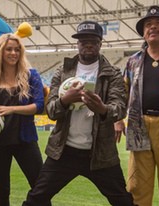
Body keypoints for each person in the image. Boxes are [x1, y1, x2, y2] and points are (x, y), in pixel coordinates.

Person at [23, 20, 133, 206]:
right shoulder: (62, 72)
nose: (88, 44)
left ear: (100, 43)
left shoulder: (113, 73)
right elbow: (50, 110)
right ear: (77, 44)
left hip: (100, 153)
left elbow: (120, 108)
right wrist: (65, 101)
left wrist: (102, 109)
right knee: (36, 199)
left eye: (92, 40)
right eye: (83, 41)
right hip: (64, 151)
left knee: (123, 201)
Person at [114, 6, 159, 206]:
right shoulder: (134, 61)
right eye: (148, 25)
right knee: (137, 185)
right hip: (139, 128)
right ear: (143, 32)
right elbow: (122, 93)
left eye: (158, 24)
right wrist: (119, 120)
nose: (152, 27)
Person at [0, 33, 45, 206]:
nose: (13, 53)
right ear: (0, 52)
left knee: (40, 186)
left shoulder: (31, 75)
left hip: (25, 141)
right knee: (1, 191)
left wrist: (11, 109)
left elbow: (39, 106)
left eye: (17, 49)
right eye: (8, 49)